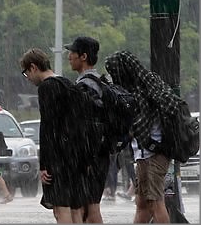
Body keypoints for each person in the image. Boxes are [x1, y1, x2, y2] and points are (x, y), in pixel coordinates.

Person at [20, 47, 89, 223]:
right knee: (75, 208)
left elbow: (48, 127)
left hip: (59, 156)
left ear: (33, 67)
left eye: (26, 73)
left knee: (61, 207)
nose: (28, 78)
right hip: (76, 153)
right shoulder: (66, 83)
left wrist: (45, 164)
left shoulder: (47, 87)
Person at [104, 50, 171, 223]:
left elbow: (138, 124)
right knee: (141, 203)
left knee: (155, 203)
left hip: (153, 154)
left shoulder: (141, 89)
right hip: (144, 155)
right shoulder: (148, 83)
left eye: (114, 72)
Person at [65, 36, 109, 222]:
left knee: (90, 208)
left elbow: (88, 124)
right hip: (99, 152)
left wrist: (86, 157)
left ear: (83, 56)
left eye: (72, 53)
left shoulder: (86, 86)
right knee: (87, 207)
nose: (69, 57)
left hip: (91, 154)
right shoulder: (101, 81)